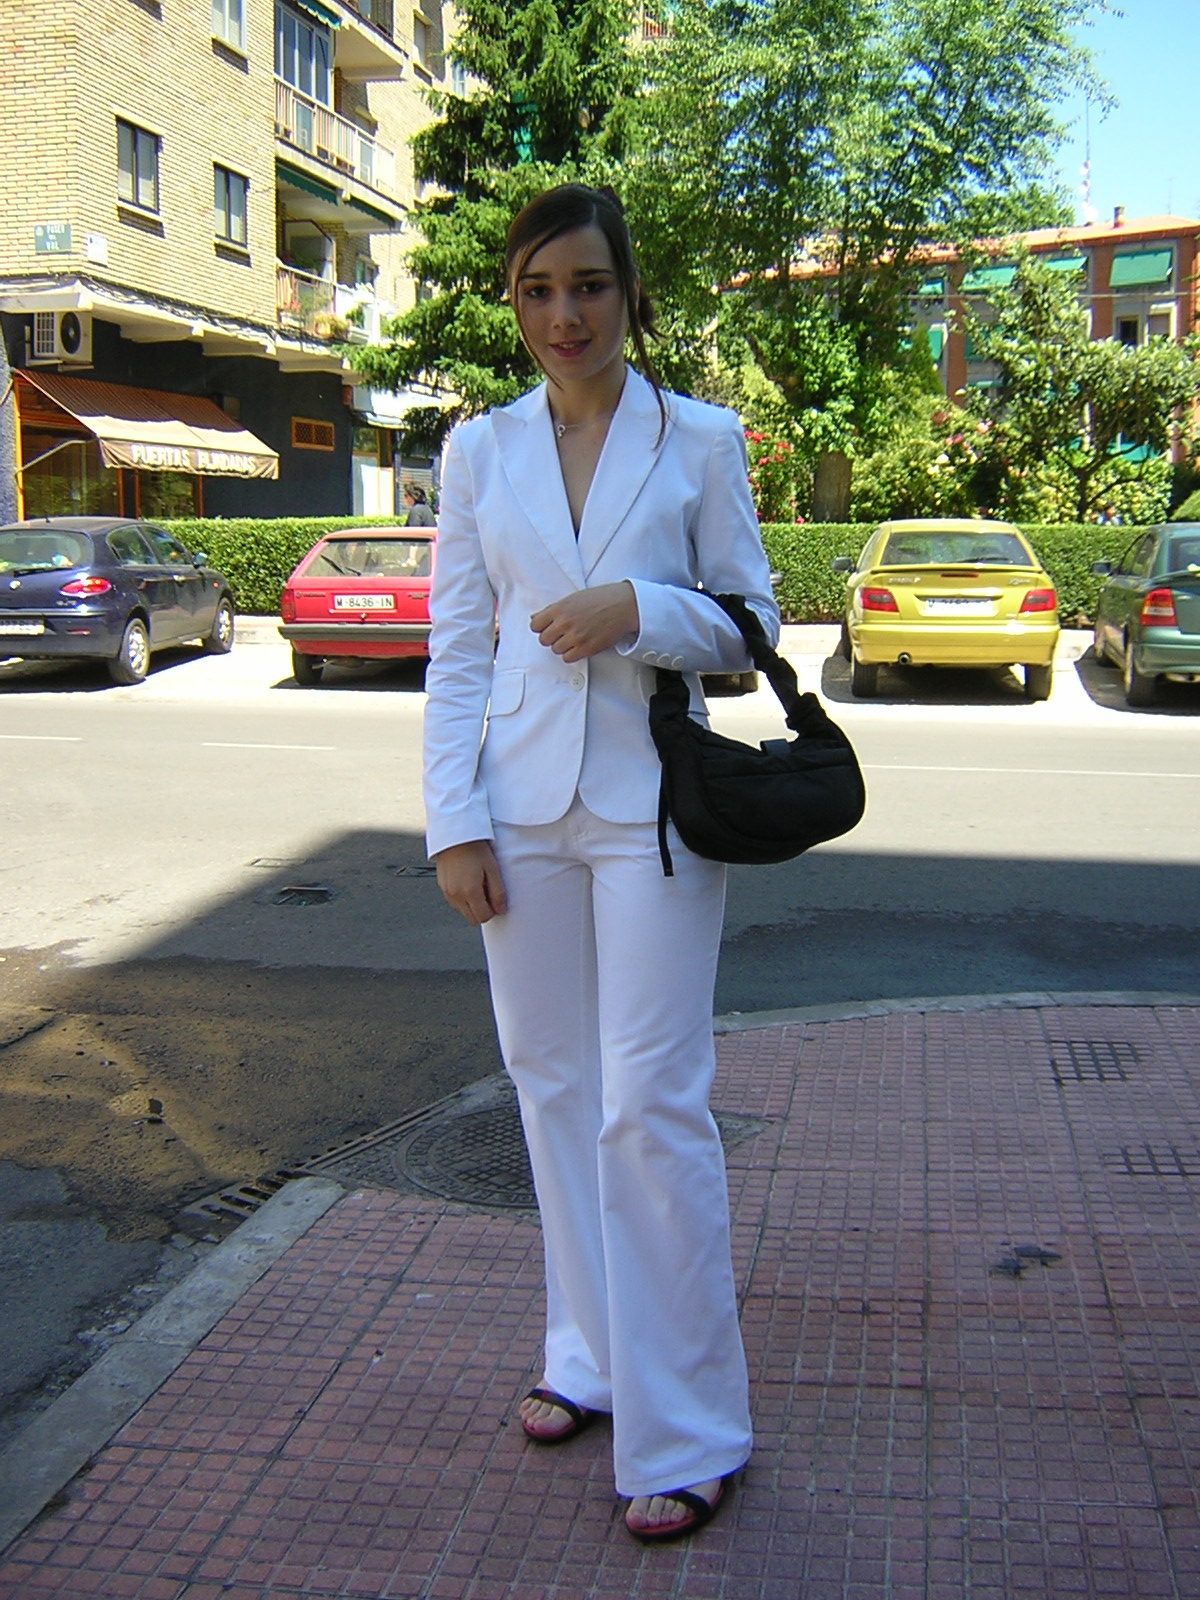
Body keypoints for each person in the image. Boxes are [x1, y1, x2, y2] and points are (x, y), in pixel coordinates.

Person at [422, 183, 779, 1542]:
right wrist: (453, 821)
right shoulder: (479, 450)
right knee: (552, 1087)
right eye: (538, 289)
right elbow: (458, 650)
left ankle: (691, 1429)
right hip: (518, 808)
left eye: (589, 285)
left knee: (653, 1105)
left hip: (651, 811)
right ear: (515, 302)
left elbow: (750, 629)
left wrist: (641, 609)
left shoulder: (700, 439)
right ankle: (587, 1355)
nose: (563, 314)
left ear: (631, 293)